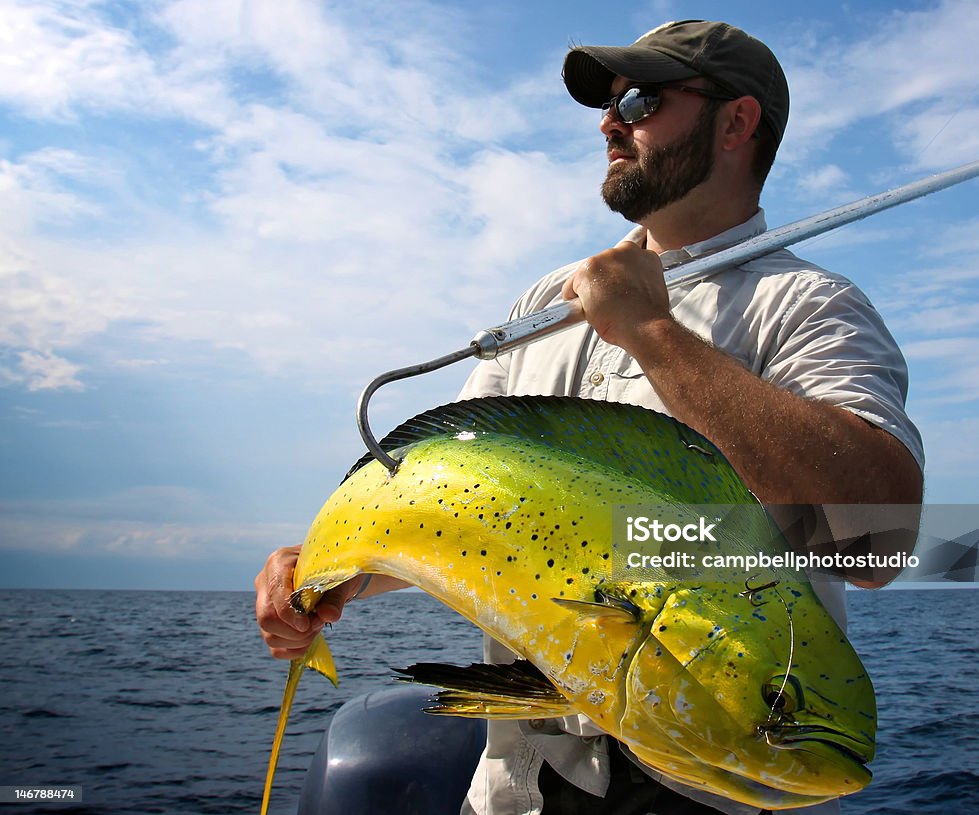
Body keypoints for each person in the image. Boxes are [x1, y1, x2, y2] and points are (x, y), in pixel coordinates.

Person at [255, 19, 924, 815]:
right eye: (607, 104)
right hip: (517, 782)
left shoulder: (812, 306)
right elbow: (447, 509)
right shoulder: (545, 304)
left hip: (706, 784)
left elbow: (880, 539)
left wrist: (652, 332)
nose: (610, 122)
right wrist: (333, 579)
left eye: (641, 100)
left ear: (737, 123)